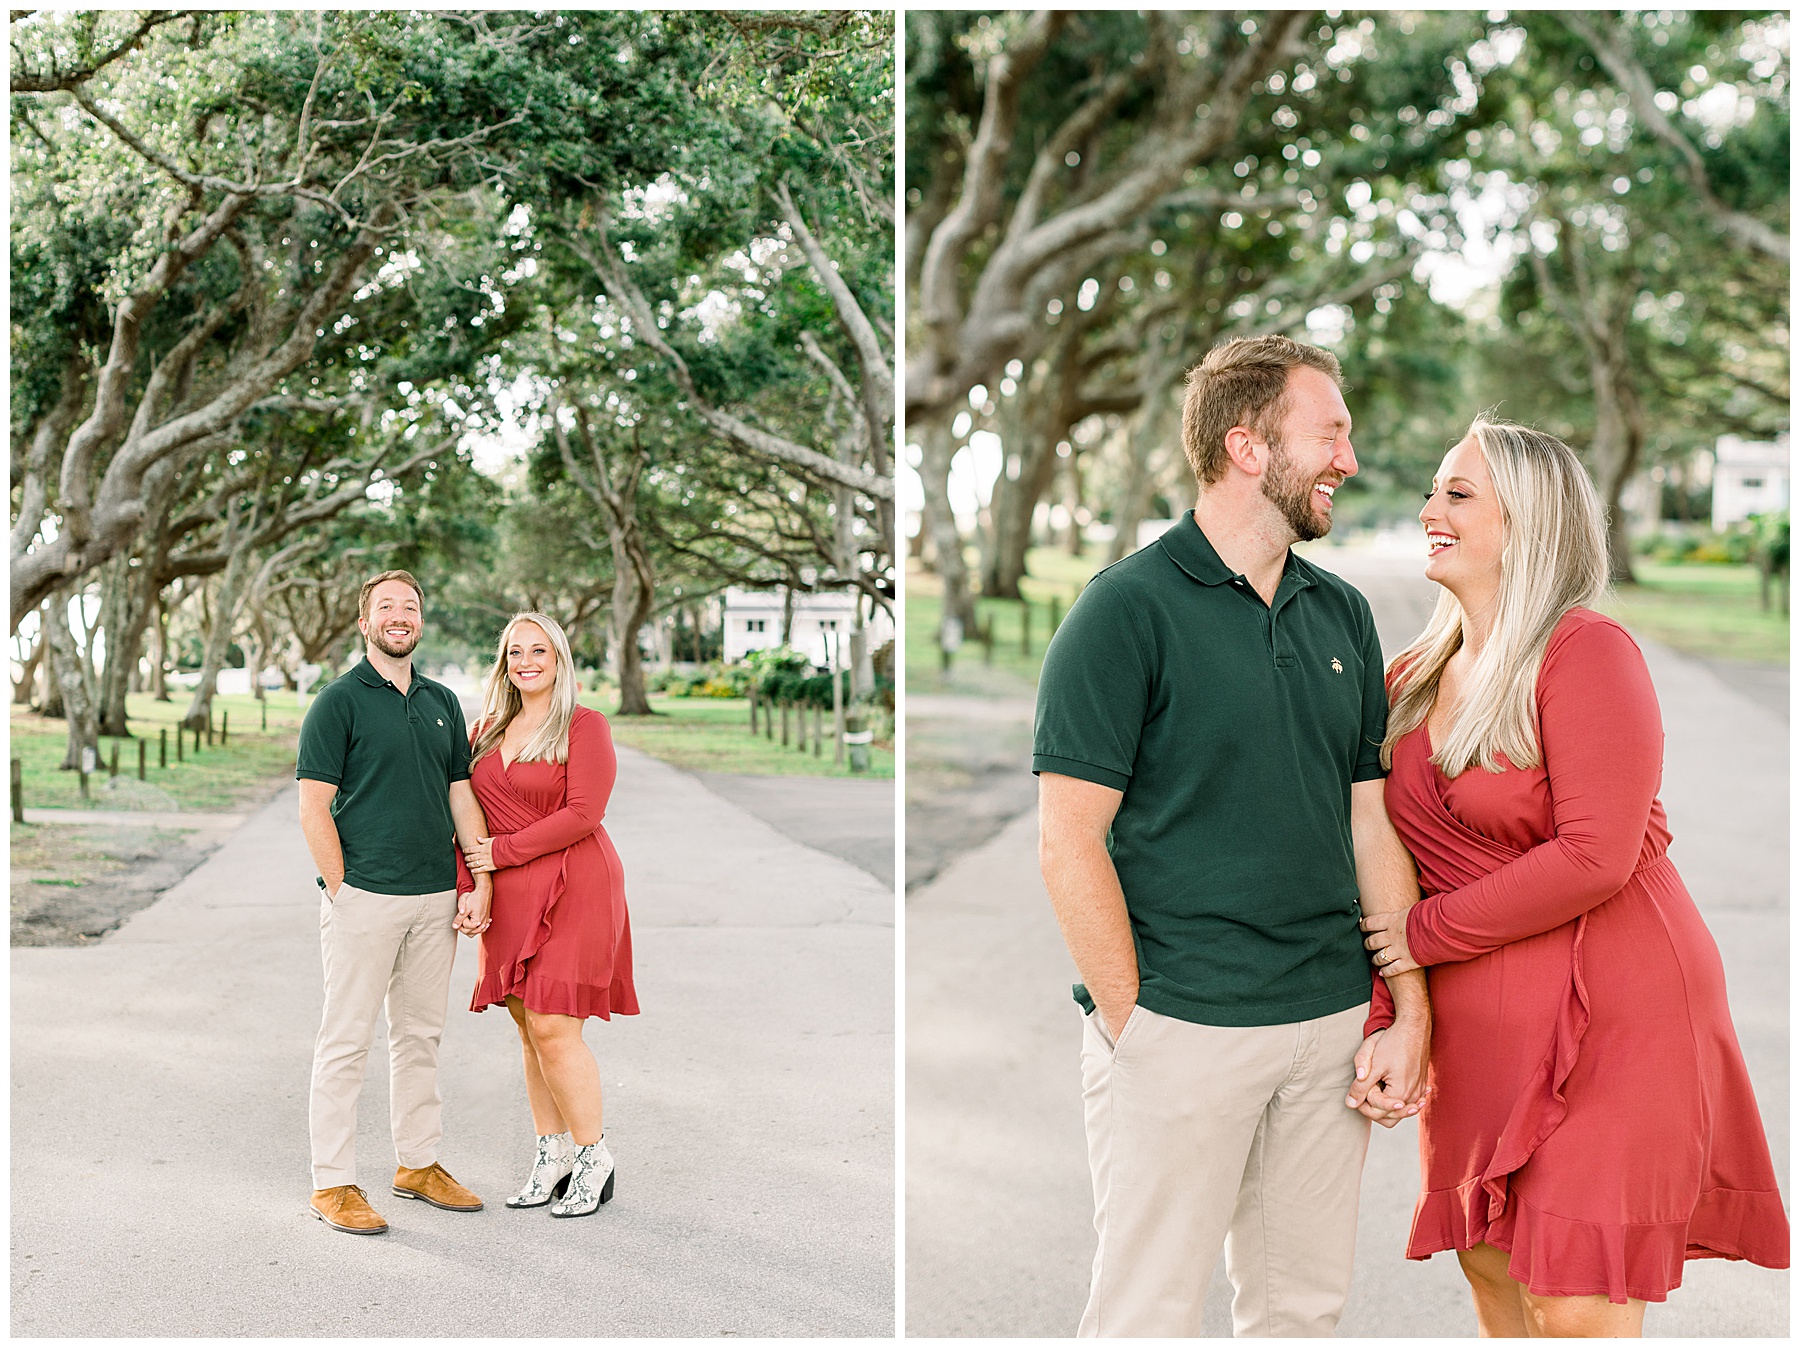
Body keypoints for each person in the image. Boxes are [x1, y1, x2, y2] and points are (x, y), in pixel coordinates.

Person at [1034, 334, 1431, 1337]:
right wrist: (1135, 1025)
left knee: (1302, 1313)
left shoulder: (1341, 614)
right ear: (1247, 447)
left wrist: (1407, 1006)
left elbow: (1371, 820)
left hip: (1329, 1023)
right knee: (1147, 1315)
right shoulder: (1123, 611)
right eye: (1329, 434)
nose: (1349, 459)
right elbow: (1069, 841)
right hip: (1183, 1024)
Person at [1359, 420, 1790, 1336]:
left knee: (1572, 1304)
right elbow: (1382, 847)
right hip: (1479, 1026)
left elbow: (1596, 854)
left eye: (1458, 493)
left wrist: (1421, 937)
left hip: (1613, 1012)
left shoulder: (1585, 651)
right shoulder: (1409, 677)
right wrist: (1393, 1009)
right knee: (1493, 1278)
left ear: (1530, 521)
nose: (1430, 509)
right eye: (1434, 489)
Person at [297, 570, 494, 1236]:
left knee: (420, 1038)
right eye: (386, 606)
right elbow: (313, 808)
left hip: (435, 898)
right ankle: (332, 1182)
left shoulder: (441, 701)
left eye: (410, 605)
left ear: (420, 621)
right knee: (346, 1041)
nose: (400, 615)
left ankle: (418, 1164)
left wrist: (480, 878)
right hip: (365, 899)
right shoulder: (338, 702)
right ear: (365, 622)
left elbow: (460, 794)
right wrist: (341, 889)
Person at [461, 611, 638, 1219]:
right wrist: (473, 881)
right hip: (509, 892)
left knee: (555, 1027)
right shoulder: (485, 730)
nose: (526, 662)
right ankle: (552, 1153)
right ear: (503, 664)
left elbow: (585, 813)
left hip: (574, 883)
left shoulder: (585, 725)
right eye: (515, 652)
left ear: (559, 659)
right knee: (527, 1027)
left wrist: (501, 853)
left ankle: (593, 1157)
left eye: (539, 650)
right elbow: (464, 811)